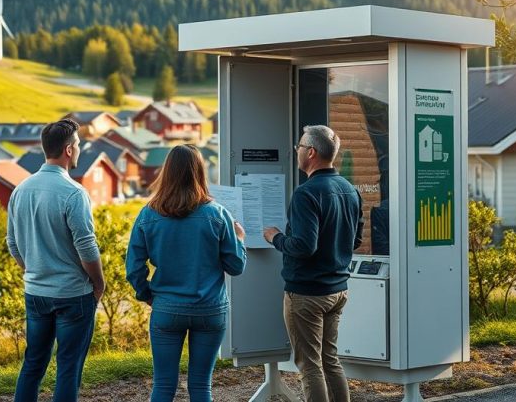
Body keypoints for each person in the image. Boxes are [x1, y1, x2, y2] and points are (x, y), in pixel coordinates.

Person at [126, 144, 247, 402]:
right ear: (199, 172)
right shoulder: (217, 214)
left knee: (163, 386)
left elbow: (134, 267)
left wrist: (146, 294)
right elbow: (236, 266)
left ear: (167, 172)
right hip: (210, 309)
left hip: (167, 309)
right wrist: (239, 238)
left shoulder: (148, 214)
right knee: (202, 387)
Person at [6, 118, 106, 402]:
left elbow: (12, 243)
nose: (79, 149)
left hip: (35, 292)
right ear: (68, 150)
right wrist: (99, 283)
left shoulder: (20, 190)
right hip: (73, 294)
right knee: (68, 367)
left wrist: (33, 270)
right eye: (77, 144)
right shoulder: (74, 193)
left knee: (33, 364)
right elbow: (86, 246)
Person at [263, 125, 364, 402]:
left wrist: (276, 237)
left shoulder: (306, 194)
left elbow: (304, 246)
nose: (296, 151)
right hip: (337, 290)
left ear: (311, 152)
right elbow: (355, 239)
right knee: (330, 359)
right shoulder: (349, 190)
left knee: (309, 366)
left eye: (299, 146)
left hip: (306, 294)